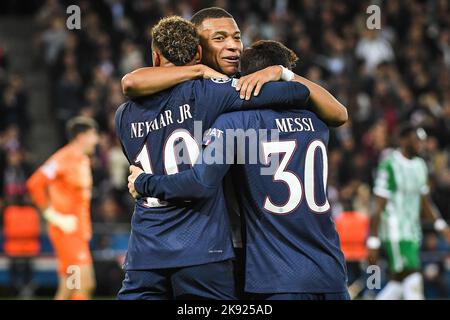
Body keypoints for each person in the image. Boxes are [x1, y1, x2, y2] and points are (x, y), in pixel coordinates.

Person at [127, 40, 350, 300]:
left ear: (246, 79)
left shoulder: (235, 123)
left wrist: (144, 183)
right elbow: (337, 112)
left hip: (277, 277)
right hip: (331, 273)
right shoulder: (317, 121)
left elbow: (200, 181)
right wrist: (285, 75)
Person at [367, 125, 450, 300]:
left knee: (399, 280)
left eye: (422, 140)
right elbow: (378, 204)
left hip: (413, 231)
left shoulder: (421, 165)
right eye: (416, 140)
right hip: (394, 230)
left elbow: (425, 201)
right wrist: (373, 240)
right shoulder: (389, 164)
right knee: (413, 274)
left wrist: (441, 225)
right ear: (403, 140)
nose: (421, 144)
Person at [27, 116, 99, 300]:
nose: (96, 140)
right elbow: (35, 183)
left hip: (79, 231)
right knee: (80, 285)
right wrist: (53, 216)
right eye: (93, 135)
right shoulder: (63, 158)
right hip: (67, 233)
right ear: (80, 136)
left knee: (71, 286)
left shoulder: (83, 160)